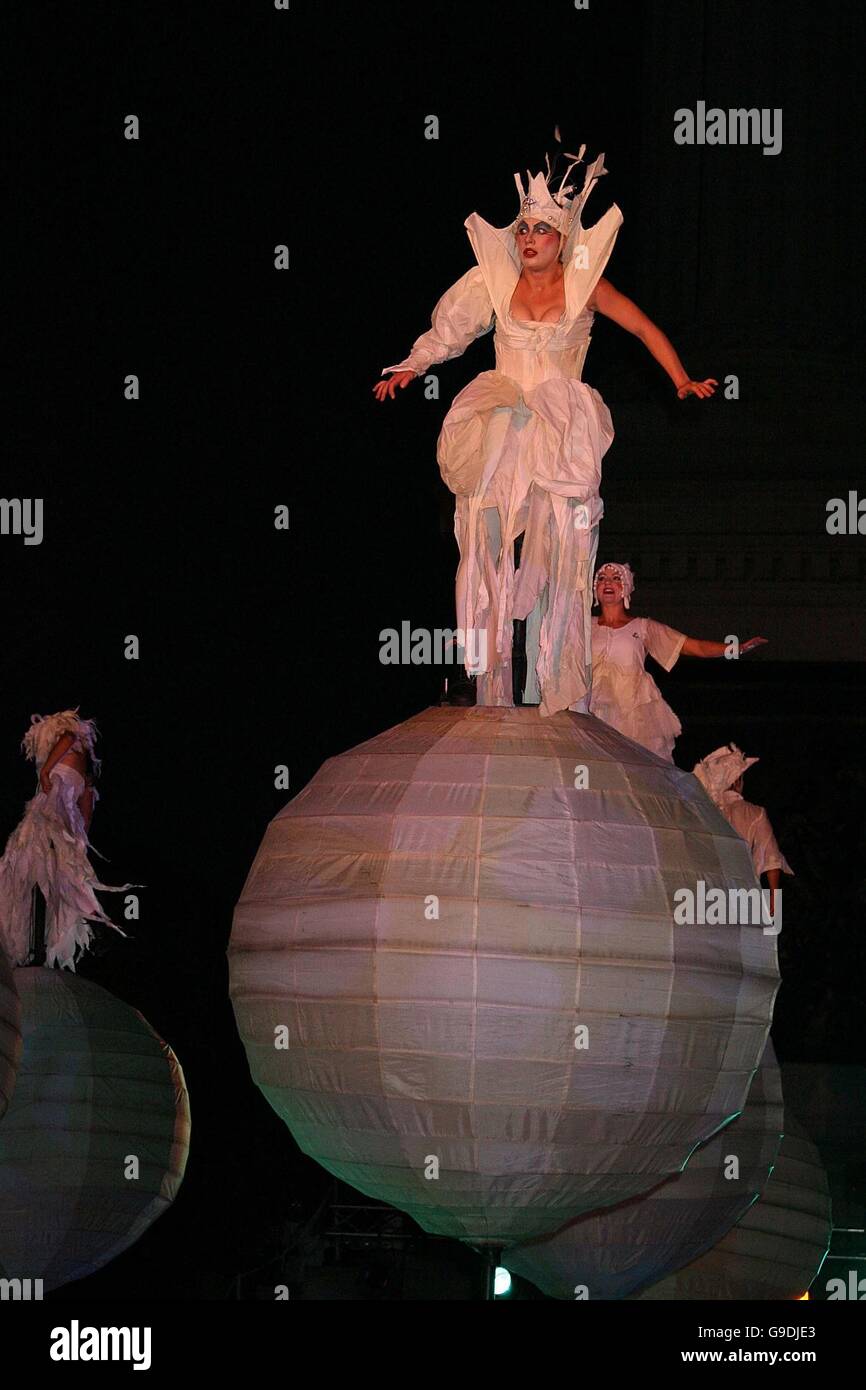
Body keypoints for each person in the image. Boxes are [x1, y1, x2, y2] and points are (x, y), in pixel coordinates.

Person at [374, 138, 717, 716]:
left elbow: (643, 329)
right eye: (524, 229)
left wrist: (680, 379)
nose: (529, 239)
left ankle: (546, 693)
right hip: (502, 418)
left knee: (558, 553)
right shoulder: (495, 285)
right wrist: (412, 364)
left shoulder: (585, 289)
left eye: (541, 230)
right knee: (485, 543)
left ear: (563, 241)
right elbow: (451, 329)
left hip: (560, 429)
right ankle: (489, 690)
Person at [589, 562, 767, 761]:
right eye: (602, 578)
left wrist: (737, 648)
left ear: (626, 588)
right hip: (591, 705)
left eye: (616, 578)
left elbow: (694, 646)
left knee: (632, 763)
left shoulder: (643, 627)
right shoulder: (585, 625)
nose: (608, 583)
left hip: (631, 710)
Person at [0, 709, 131, 971]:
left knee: (28, 853)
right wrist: (76, 844)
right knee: (57, 870)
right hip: (63, 819)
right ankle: (88, 921)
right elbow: (85, 821)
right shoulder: (85, 781)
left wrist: (45, 772)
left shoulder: (69, 743)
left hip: (53, 805)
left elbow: (69, 736)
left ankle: (82, 923)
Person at [693, 743, 793, 911]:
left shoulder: (704, 813)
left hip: (707, 893)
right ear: (738, 781)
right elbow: (771, 858)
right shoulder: (755, 813)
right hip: (744, 892)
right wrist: (774, 900)